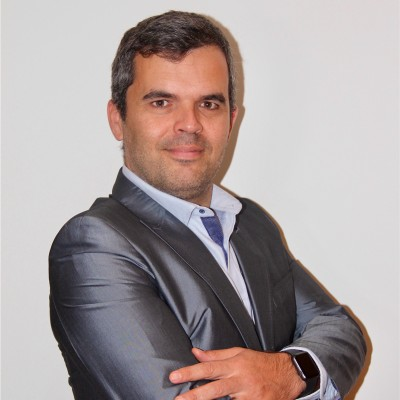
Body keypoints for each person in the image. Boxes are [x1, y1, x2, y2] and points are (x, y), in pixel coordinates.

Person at [49, 10, 366, 400]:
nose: (189, 124)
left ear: (231, 120)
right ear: (118, 118)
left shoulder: (251, 224)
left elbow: (341, 330)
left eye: (209, 104)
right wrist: (302, 374)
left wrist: (289, 371)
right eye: (162, 102)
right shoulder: (94, 245)